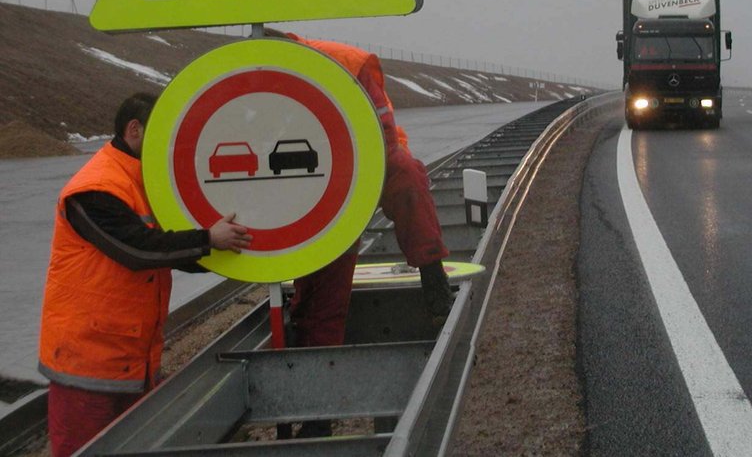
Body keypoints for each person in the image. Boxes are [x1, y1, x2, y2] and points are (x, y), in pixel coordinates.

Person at [38, 92, 253, 457]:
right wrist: (208, 239)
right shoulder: (95, 188)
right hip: (88, 362)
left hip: (130, 357)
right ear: (135, 129)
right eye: (163, 132)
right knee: (82, 449)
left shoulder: (140, 180)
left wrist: (234, 256)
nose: (169, 144)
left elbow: (164, 248)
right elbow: (137, 250)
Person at [268, 32, 454, 348]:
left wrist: (349, 194)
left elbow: (384, 137)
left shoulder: (346, 62)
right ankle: (315, 346)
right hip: (317, 175)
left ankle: (432, 272)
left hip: (374, 156)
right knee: (326, 275)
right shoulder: (256, 82)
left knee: (408, 178)